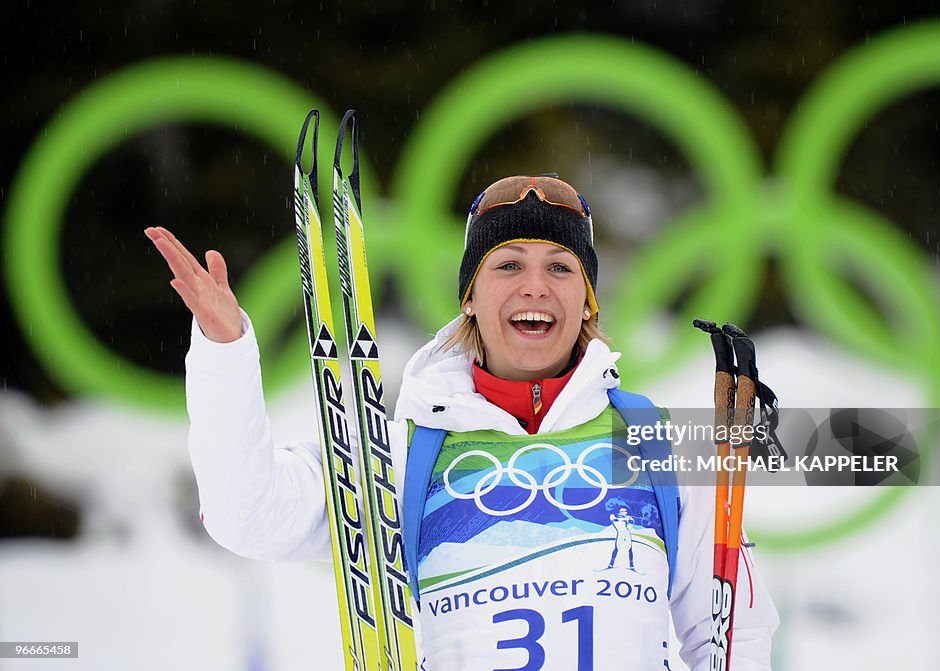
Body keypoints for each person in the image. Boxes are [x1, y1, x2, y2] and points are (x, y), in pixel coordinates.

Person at [146, 174, 778, 670]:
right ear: (470, 297)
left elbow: (731, 630)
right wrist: (224, 350)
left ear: (586, 300)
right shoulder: (397, 454)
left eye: (560, 268)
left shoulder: (657, 441)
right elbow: (247, 516)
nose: (535, 287)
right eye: (507, 265)